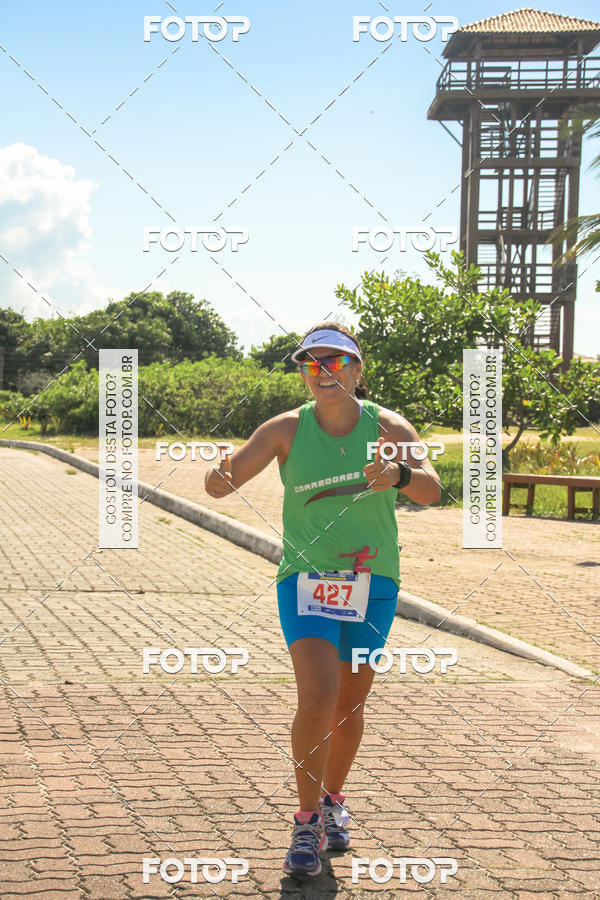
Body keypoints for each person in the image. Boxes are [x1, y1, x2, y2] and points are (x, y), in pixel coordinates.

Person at [204, 322, 441, 878]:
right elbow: (223, 480)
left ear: (358, 370)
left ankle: (335, 801)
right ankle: (306, 821)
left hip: (372, 580)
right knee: (316, 698)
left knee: (349, 704)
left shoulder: (390, 425)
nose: (324, 372)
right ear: (304, 374)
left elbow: (432, 490)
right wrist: (217, 476)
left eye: (336, 362)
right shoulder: (286, 429)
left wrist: (400, 473)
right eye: (312, 364)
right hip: (306, 579)